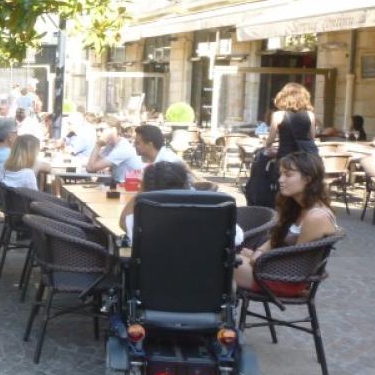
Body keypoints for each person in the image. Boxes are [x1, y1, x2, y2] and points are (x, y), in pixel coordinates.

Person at [236, 151, 338, 294]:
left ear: (308, 179)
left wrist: (257, 258)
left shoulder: (316, 217)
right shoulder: (298, 206)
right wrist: (258, 253)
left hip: (287, 281)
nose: (280, 180)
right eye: (281, 174)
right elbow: (275, 239)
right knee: (222, 258)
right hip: (275, 271)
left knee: (220, 262)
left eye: (288, 175)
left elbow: (296, 263)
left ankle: (218, 311)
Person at [117, 161, 243, 245]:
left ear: (148, 191)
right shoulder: (214, 216)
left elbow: (123, 222)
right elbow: (237, 238)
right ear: (185, 185)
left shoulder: (144, 221)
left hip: (154, 283)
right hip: (210, 282)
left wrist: (141, 192)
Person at [265, 82, 317, 159]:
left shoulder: (278, 115)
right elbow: (312, 137)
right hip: (305, 157)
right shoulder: (310, 115)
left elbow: (270, 140)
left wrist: (267, 146)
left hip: (286, 155)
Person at [86, 119, 143, 185]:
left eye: (102, 130)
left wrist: (98, 145)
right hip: (121, 184)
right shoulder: (111, 145)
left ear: (114, 130)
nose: (99, 133)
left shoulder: (123, 148)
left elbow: (90, 168)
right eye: (97, 130)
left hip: (128, 187)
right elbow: (92, 166)